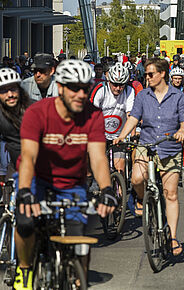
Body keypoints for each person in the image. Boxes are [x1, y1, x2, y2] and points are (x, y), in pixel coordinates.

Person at [14, 60, 116, 289]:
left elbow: (98, 158)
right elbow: (28, 156)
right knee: (26, 222)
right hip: (36, 179)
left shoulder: (93, 115)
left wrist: (107, 190)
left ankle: (79, 278)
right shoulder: (37, 112)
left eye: (85, 88)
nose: (81, 94)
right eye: (74, 88)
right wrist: (24, 192)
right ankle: (24, 269)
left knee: (80, 237)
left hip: (72, 185)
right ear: (59, 87)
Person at [113, 57, 184, 257]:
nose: (147, 77)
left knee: (171, 193)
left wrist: (182, 131)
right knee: (137, 179)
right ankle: (140, 198)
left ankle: (172, 237)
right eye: (146, 74)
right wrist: (122, 136)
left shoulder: (178, 96)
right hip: (145, 145)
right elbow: (133, 118)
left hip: (169, 148)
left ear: (162, 74)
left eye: (150, 74)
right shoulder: (143, 96)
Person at [90, 63, 135, 172]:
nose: (118, 88)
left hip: (119, 135)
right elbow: (91, 114)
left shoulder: (129, 91)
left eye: (121, 85)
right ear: (108, 80)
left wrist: (132, 135)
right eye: (115, 84)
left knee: (120, 167)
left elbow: (131, 115)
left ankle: (120, 187)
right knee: (100, 167)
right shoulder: (101, 89)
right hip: (101, 134)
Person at [0, 68, 32, 169]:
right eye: (4, 91)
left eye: (13, 89)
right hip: (18, 167)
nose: (10, 95)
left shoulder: (35, 108)